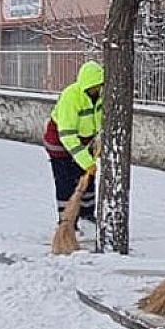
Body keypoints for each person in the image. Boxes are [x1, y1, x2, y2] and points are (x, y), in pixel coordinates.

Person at [43, 60, 105, 224]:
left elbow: (100, 121)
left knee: (86, 179)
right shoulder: (71, 97)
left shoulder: (100, 96)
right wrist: (86, 161)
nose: (97, 89)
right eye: (94, 86)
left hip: (83, 142)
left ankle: (87, 215)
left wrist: (98, 143)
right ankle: (67, 221)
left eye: (99, 85)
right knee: (66, 183)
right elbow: (68, 135)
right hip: (60, 143)